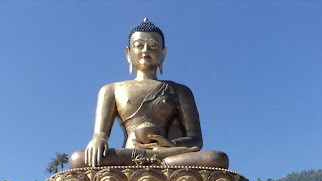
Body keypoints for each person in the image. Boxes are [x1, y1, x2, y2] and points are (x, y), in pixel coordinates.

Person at [69, 18, 229, 170]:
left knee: (217, 158)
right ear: (128, 53)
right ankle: (156, 164)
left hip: (169, 156)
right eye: (139, 45)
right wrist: (98, 139)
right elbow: (100, 134)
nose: (146, 50)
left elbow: (196, 140)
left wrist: (169, 146)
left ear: (163, 53)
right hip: (130, 156)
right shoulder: (111, 90)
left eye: (153, 46)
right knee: (78, 159)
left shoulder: (180, 90)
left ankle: (156, 163)